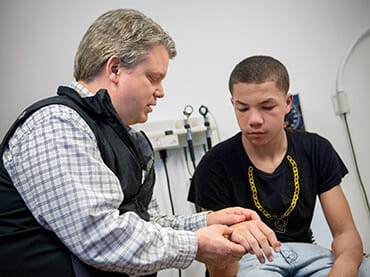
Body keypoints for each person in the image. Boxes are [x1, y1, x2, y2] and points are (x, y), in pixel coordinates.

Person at [0, 10, 280, 277]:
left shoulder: (127, 139)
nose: (160, 92)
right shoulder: (57, 123)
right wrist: (197, 244)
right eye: (153, 78)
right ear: (115, 69)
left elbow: (145, 224)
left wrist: (207, 222)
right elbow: (100, 238)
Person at [188, 55, 370, 277]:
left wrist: (344, 269)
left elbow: (345, 233)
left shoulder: (316, 149)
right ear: (233, 104)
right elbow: (218, 260)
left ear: (287, 103)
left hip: (308, 254)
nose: (254, 119)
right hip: (248, 261)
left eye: (267, 106)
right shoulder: (214, 165)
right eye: (243, 109)